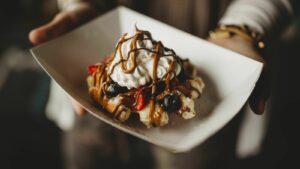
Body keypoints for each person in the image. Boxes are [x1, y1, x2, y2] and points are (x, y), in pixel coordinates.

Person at [29, 0, 295, 169]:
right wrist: (81, 3)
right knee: (87, 152)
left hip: (209, 30)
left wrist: (243, 28)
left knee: (194, 160)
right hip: (105, 30)